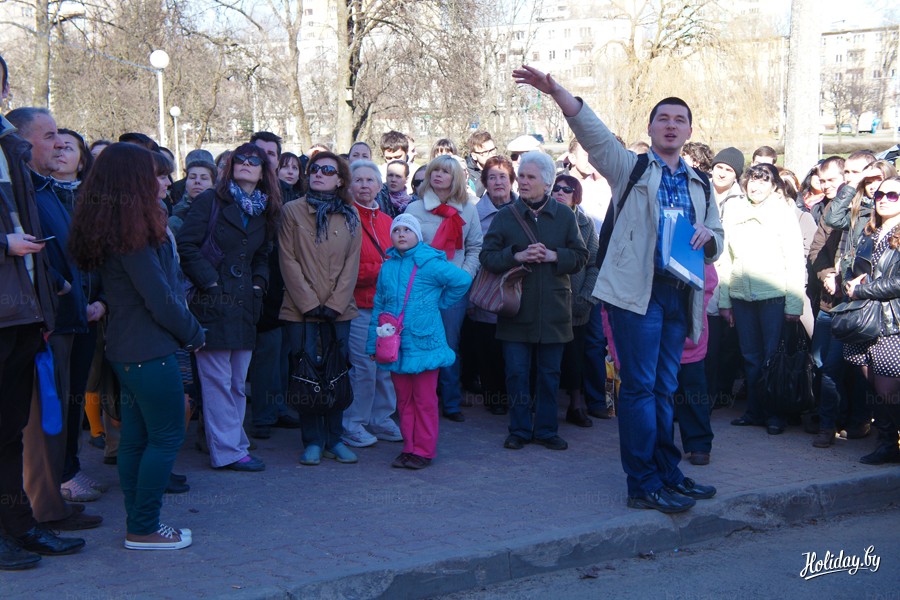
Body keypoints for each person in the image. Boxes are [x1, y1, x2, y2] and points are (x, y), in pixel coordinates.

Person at [513, 65, 721, 514]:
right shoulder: (631, 167)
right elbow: (594, 134)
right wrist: (556, 91)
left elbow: (717, 240)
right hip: (635, 295)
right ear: (650, 127)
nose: (671, 125)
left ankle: (667, 473)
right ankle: (642, 483)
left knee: (665, 387)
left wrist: (709, 238)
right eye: (663, 118)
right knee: (640, 389)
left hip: (678, 294)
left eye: (679, 120)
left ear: (689, 131)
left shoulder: (701, 183)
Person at [69, 142, 204, 550]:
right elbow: (159, 298)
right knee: (165, 437)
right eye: (155, 174)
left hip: (130, 349)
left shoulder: (123, 228)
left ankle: (140, 524)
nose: (164, 182)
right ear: (133, 181)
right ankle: (144, 527)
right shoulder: (132, 238)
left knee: (137, 439)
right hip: (147, 351)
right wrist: (194, 333)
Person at [0, 55, 84, 568]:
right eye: (48, 136)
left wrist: (49, 293)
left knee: (9, 433)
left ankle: (20, 527)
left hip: (23, 316)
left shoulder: (11, 151)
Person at [7, 107, 100, 530]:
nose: (59, 143)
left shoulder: (44, 188)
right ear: (23, 142)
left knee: (57, 412)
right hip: (43, 320)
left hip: (63, 316)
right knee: (40, 419)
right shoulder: (24, 187)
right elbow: (37, 253)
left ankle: (49, 501)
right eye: (48, 136)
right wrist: (58, 286)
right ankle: (41, 508)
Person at [177, 143, 281, 472]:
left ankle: (235, 444)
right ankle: (227, 451)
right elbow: (186, 246)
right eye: (240, 159)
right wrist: (210, 282)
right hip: (212, 303)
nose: (246, 164)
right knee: (216, 382)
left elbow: (263, 254)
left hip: (245, 305)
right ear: (231, 166)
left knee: (237, 382)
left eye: (254, 160)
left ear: (263, 172)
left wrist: (258, 285)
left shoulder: (264, 208)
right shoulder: (210, 200)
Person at [481, 150, 588, 450]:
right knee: (516, 373)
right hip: (515, 309)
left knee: (550, 374)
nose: (523, 182)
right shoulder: (506, 216)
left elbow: (581, 257)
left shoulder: (564, 215)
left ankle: (546, 430)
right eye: (522, 176)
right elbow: (487, 257)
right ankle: (518, 429)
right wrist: (516, 255)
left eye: (531, 177)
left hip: (554, 310)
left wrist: (554, 256)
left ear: (547, 182)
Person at [367, 213, 471, 469]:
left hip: (425, 343)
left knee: (424, 400)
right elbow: (379, 306)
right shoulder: (388, 266)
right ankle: (409, 447)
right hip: (395, 345)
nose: (401, 234)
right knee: (404, 400)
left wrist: (439, 303)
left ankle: (424, 450)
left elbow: (462, 281)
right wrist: (372, 344)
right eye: (396, 230)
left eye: (407, 230)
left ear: (418, 235)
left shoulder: (429, 262)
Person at [279, 151, 361, 466]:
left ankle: (335, 439)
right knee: (306, 373)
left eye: (328, 170)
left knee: (336, 371)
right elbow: (287, 259)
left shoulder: (350, 214)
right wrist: (310, 303)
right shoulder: (292, 211)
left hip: (339, 311)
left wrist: (336, 304)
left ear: (340, 179)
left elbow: (352, 264)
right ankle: (312, 440)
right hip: (299, 309)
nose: (318, 174)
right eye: (314, 169)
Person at [719, 164, 806, 434]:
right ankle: (754, 410)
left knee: (773, 357)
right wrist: (725, 301)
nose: (756, 186)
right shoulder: (734, 210)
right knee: (750, 356)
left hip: (774, 297)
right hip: (741, 295)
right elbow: (725, 259)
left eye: (763, 181)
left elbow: (795, 259)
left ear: (774, 186)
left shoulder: (783, 213)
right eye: (752, 180)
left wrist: (794, 304)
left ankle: (775, 414)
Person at [404, 155, 483, 421]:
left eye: (445, 172)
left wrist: (464, 276)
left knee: (449, 343)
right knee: (419, 341)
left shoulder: (468, 209)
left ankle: (450, 402)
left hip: (453, 289)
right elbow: (404, 248)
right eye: (435, 170)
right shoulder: (414, 209)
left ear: (455, 178)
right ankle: (421, 400)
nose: (438, 175)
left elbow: (475, 247)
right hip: (420, 289)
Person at [341, 160, 402, 448]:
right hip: (358, 306)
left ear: (379, 186)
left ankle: (381, 417)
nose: (364, 185)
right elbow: (345, 269)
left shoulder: (389, 222)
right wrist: (382, 270)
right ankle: (353, 423)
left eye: (369, 180)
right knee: (364, 368)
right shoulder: (344, 218)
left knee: (386, 367)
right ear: (349, 185)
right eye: (358, 180)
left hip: (387, 310)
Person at [843, 176, 900, 465]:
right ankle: (887, 443)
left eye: (893, 195)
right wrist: (848, 281)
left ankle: (891, 442)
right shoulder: (871, 232)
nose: (883, 199)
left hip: (892, 321)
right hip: (866, 319)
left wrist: (861, 289)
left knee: (888, 389)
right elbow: (855, 268)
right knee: (873, 385)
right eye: (879, 194)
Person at [468, 155, 517, 415]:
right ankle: (494, 397)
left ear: (512, 181)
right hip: (486, 288)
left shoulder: (525, 210)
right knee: (489, 347)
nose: (498, 182)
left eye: (503, 177)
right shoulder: (474, 214)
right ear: (485, 182)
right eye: (492, 177)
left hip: (518, 288)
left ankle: (517, 396)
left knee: (516, 348)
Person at [551, 174, 599, 428]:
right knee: (547, 357)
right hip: (547, 301)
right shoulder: (541, 218)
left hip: (576, 303)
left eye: (567, 189)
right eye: (556, 188)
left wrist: (586, 297)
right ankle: (542, 405)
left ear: (576, 196)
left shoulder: (586, 223)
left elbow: (594, 264)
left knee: (575, 356)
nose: (560, 192)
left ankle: (576, 404)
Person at [168, 155, 217, 234]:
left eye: (204, 178)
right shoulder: (175, 221)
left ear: (213, 184)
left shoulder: (223, 212)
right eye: (192, 177)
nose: (197, 181)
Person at [465, 131, 497, 197]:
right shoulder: (466, 174)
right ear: (474, 155)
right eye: (485, 152)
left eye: (492, 150)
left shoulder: (503, 168)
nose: (491, 155)